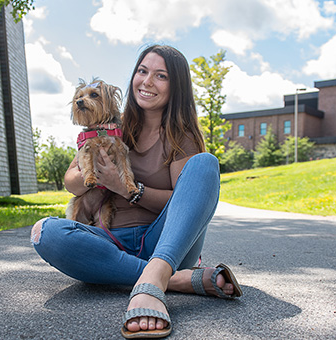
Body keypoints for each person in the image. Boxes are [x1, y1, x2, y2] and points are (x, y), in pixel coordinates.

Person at [31, 44, 242, 339]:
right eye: (142, 71)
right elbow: (70, 181)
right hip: (110, 241)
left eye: (160, 76)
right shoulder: (110, 125)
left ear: (176, 86)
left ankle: (156, 277)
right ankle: (176, 280)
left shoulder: (181, 134)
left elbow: (184, 202)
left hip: (164, 242)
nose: (147, 82)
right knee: (45, 232)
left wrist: (126, 189)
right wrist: (95, 178)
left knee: (205, 164)